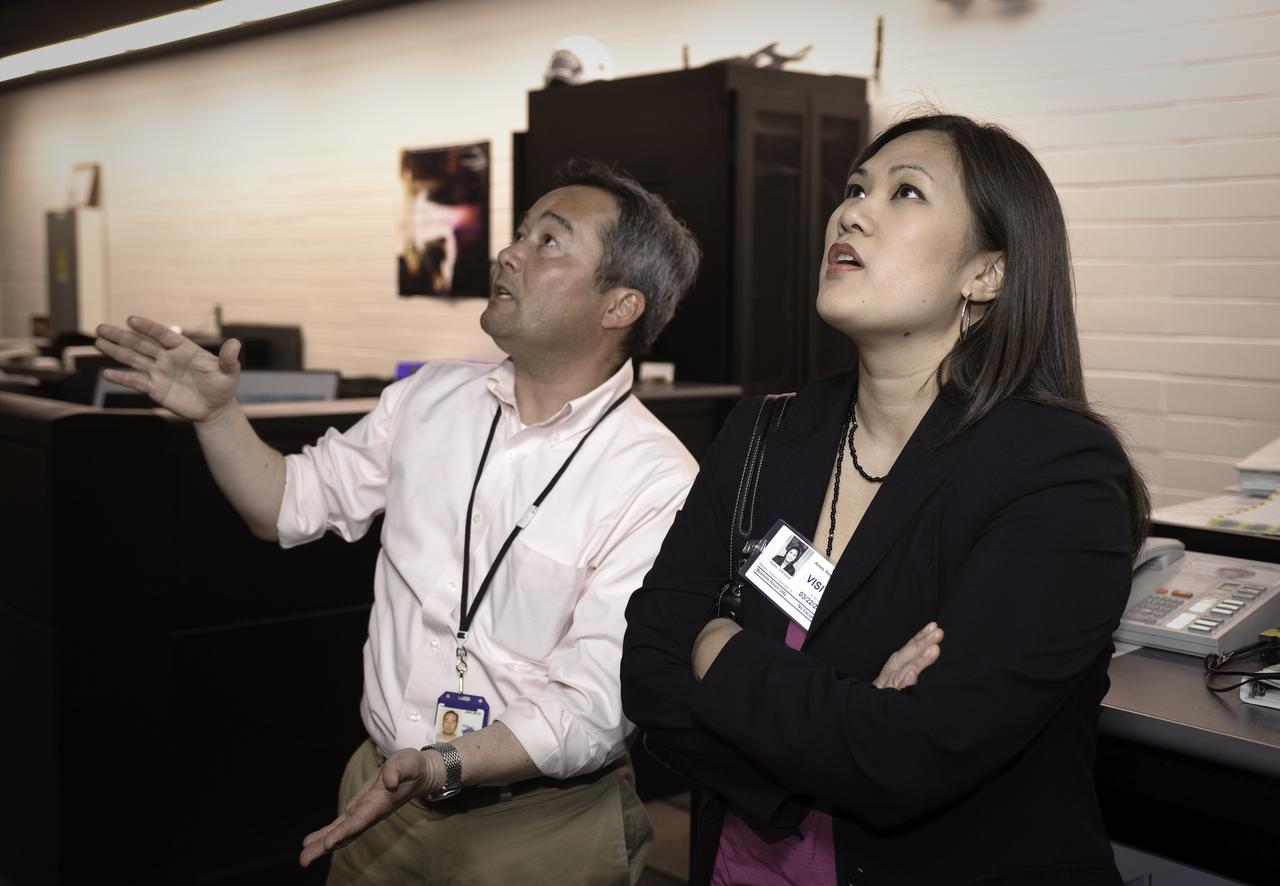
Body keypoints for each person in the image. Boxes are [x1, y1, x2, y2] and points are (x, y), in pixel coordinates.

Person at [95, 160, 705, 886]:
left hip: (539, 828)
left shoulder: (657, 477)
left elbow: (597, 704)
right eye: (518, 233)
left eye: (549, 242)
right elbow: (288, 505)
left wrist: (442, 763)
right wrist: (220, 416)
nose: (508, 252)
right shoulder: (432, 399)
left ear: (620, 307)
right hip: (379, 795)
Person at [620, 113, 1150, 886]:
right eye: (855, 188)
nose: (851, 212)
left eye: (906, 192)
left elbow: (909, 756)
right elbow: (650, 668)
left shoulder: (1060, 474)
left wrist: (721, 649)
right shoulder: (766, 431)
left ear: (987, 274)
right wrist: (844, 725)